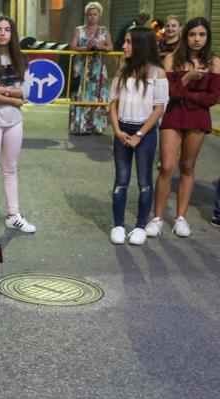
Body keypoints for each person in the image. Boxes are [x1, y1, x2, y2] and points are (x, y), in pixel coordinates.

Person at [146, 17, 220, 238]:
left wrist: (183, 92)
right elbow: (168, 93)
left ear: (207, 37)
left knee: (187, 166)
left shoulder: (215, 62)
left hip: (198, 118)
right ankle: (157, 218)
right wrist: (186, 79)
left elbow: (213, 98)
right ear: (185, 36)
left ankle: (180, 217)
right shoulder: (171, 59)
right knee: (167, 166)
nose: (197, 39)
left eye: (201, 35)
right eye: (192, 34)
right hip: (174, 115)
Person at [108, 27, 167, 245]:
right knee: (121, 180)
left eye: (129, 42)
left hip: (146, 132)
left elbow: (159, 108)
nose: (123, 46)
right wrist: (117, 131)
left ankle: (141, 226)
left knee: (144, 181)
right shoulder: (122, 73)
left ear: (141, 45)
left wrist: (140, 134)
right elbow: (113, 104)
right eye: (125, 41)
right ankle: (118, 225)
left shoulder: (157, 74)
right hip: (122, 130)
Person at [0, 15, 36, 233]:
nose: (3, 33)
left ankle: (13, 215)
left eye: (7, 30)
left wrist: (0, 89)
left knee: (10, 170)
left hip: (14, 122)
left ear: (12, 34)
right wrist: (14, 98)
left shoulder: (21, 59)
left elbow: (28, 91)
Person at [69, 2, 113, 135]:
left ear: (99, 16)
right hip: (82, 68)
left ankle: (97, 126)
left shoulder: (104, 31)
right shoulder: (79, 30)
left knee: (98, 94)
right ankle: (80, 126)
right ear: (86, 16)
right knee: (81, 93)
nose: (92, 17)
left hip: (98, 69)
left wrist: (100, 47)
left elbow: (110, 47)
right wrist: (85, 49)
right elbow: (73, 46)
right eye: (89, 14)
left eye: (95, 14)